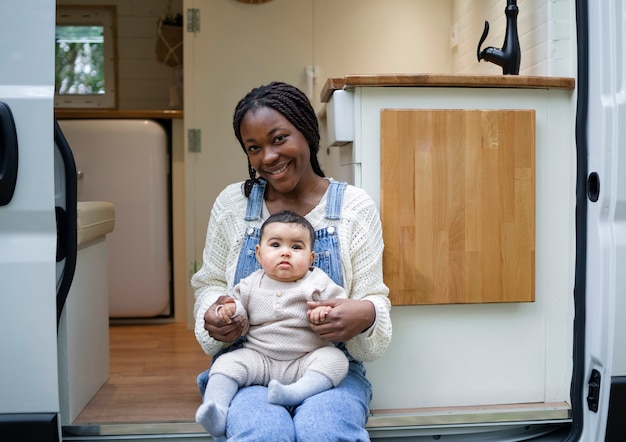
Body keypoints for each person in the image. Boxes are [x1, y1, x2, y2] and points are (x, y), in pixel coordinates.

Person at [192, 81, 392, 441]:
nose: (267, 157)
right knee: (262, 432)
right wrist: (213, 315)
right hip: (250, 367)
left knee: (325, 430)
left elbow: (374, 297)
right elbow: (211, 285)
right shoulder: (232, 206)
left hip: (327, 371)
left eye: (279, 138)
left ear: (308, 133)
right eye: (254, 148)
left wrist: (366, 315)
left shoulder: (353, 208)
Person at [195, 210, 350, 437]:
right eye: (275, 245)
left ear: (311, 258)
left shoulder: (317, 281)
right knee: (225, 364)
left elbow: (341, 305)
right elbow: (238, 310)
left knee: (335, 360)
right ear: (258, 254)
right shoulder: (250, 284)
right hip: (260, 358)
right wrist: (229, 310)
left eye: (296, 247)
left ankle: (295, 392)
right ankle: (216, 410)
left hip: (306, 359)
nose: (286, 253)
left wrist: (326, 310)